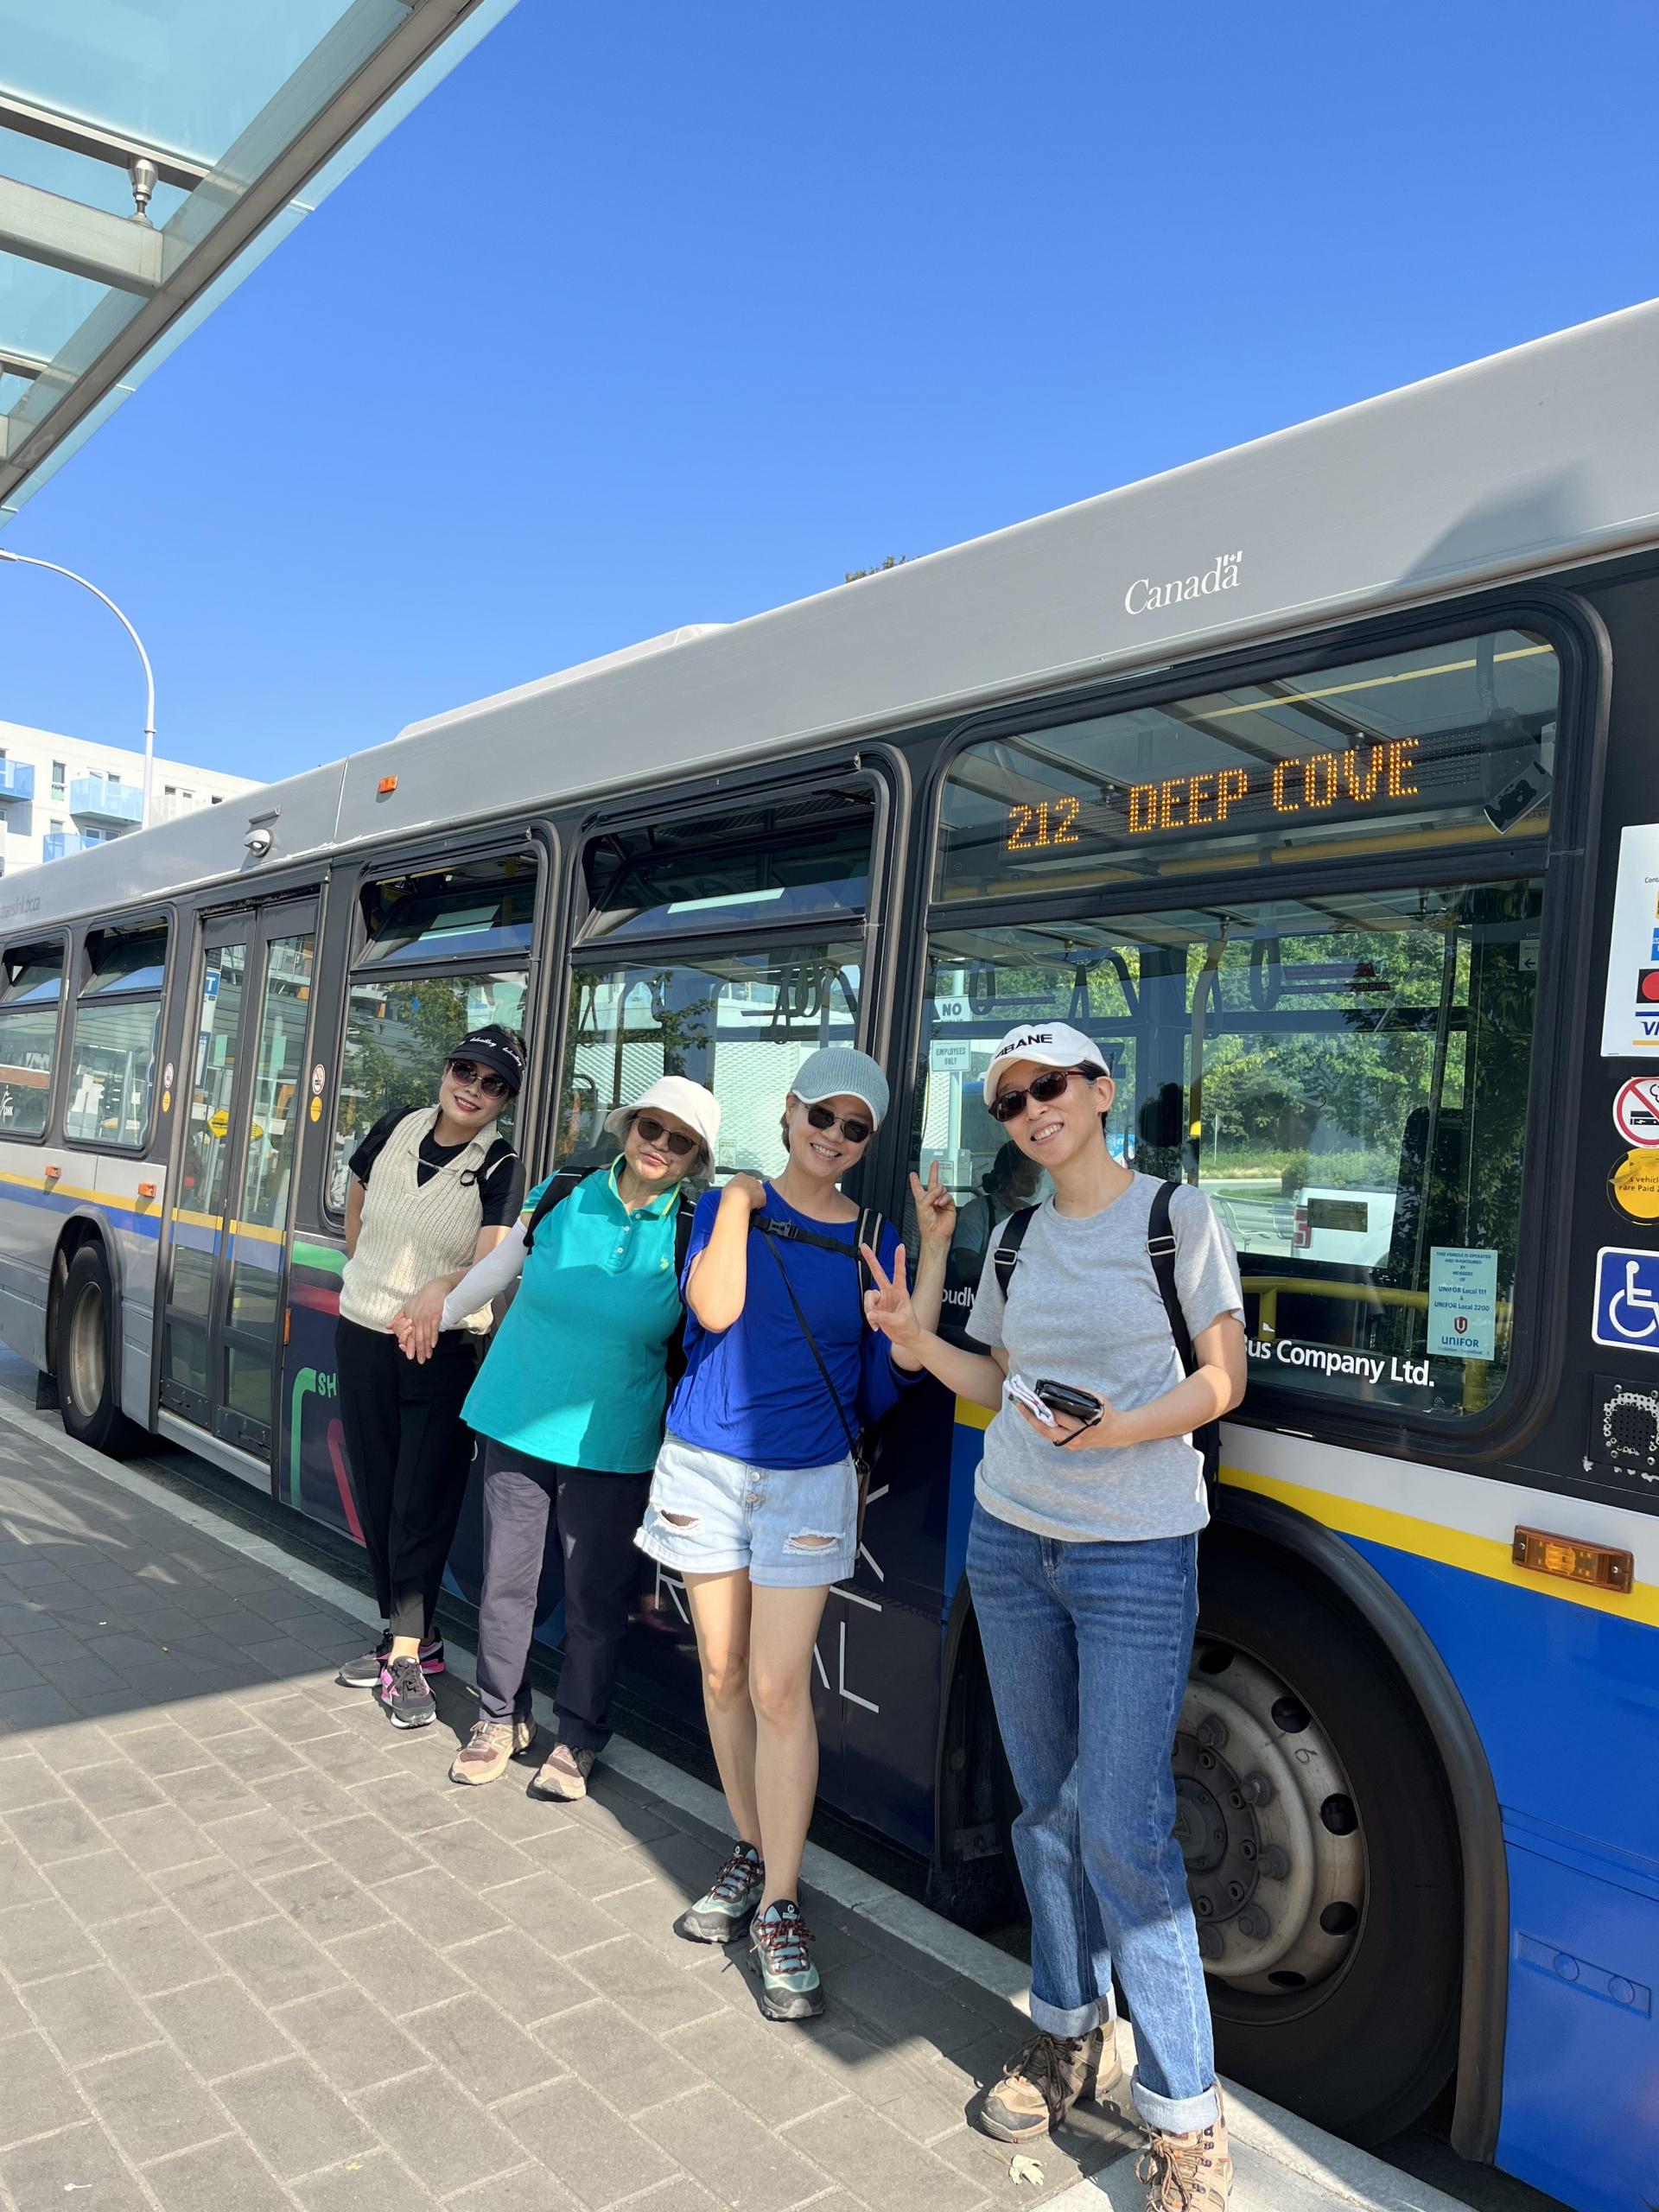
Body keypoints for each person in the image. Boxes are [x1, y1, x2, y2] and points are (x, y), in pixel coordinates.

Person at [862, 1020, 1246, 2212]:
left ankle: (1186, 2118)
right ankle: (1069, 2032)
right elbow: (992, 1378)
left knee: (1125, 1827)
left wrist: (1120, 1431)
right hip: (1013, 1540)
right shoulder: (1016, 1236)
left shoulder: (1177, 1218)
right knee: (1043, 1808)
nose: (1033, 1110)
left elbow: (1223, 1379)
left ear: (1101, 1089)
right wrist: (918, 1335)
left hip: (1137, 1552)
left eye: (1050, 1086)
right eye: (1011, 1099)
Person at [636, 1046, 954, 2021]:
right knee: (722, 1673)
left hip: (809, 1480)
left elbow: (896, 1367)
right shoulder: (726, 1206)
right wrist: (739, 1199)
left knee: (779, 1689)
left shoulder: (874, 1237)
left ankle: (779, 1900)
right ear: (789, 1110)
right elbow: (714, 1308)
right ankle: (748, 1847)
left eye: (856, 1128)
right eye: (822, 1115)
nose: (835, 1136)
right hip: (708, 1465)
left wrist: (933, 1253)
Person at [416, 1077, 721, 1798]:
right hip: (517, 1417)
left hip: (613, 1441)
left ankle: (578, 1736)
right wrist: (436, 1315)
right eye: (651, 1128)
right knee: (506, 1585)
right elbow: (501, 1266)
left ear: (695, 1159)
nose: (660, 1146)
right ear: (629, 1128)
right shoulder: (563, 1188)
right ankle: (499, 1718)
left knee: (594, 1600)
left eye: (680, 1142)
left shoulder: (691, 1229)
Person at [332, 1027, 525, 1727]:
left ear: (505, 1100)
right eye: (465, 1071)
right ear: (446, 1071)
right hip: (363, 1331)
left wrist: (435, 1292)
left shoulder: (500, 1164)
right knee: (379, 1490)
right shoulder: (393, 1128)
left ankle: (407, 1657)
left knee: (422, 1498)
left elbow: (491, 1263)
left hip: (442, 1348)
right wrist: (372, 1276)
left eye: (493, 1084)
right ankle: (410, 1635)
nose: (473, 1089)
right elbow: (357, 1201)